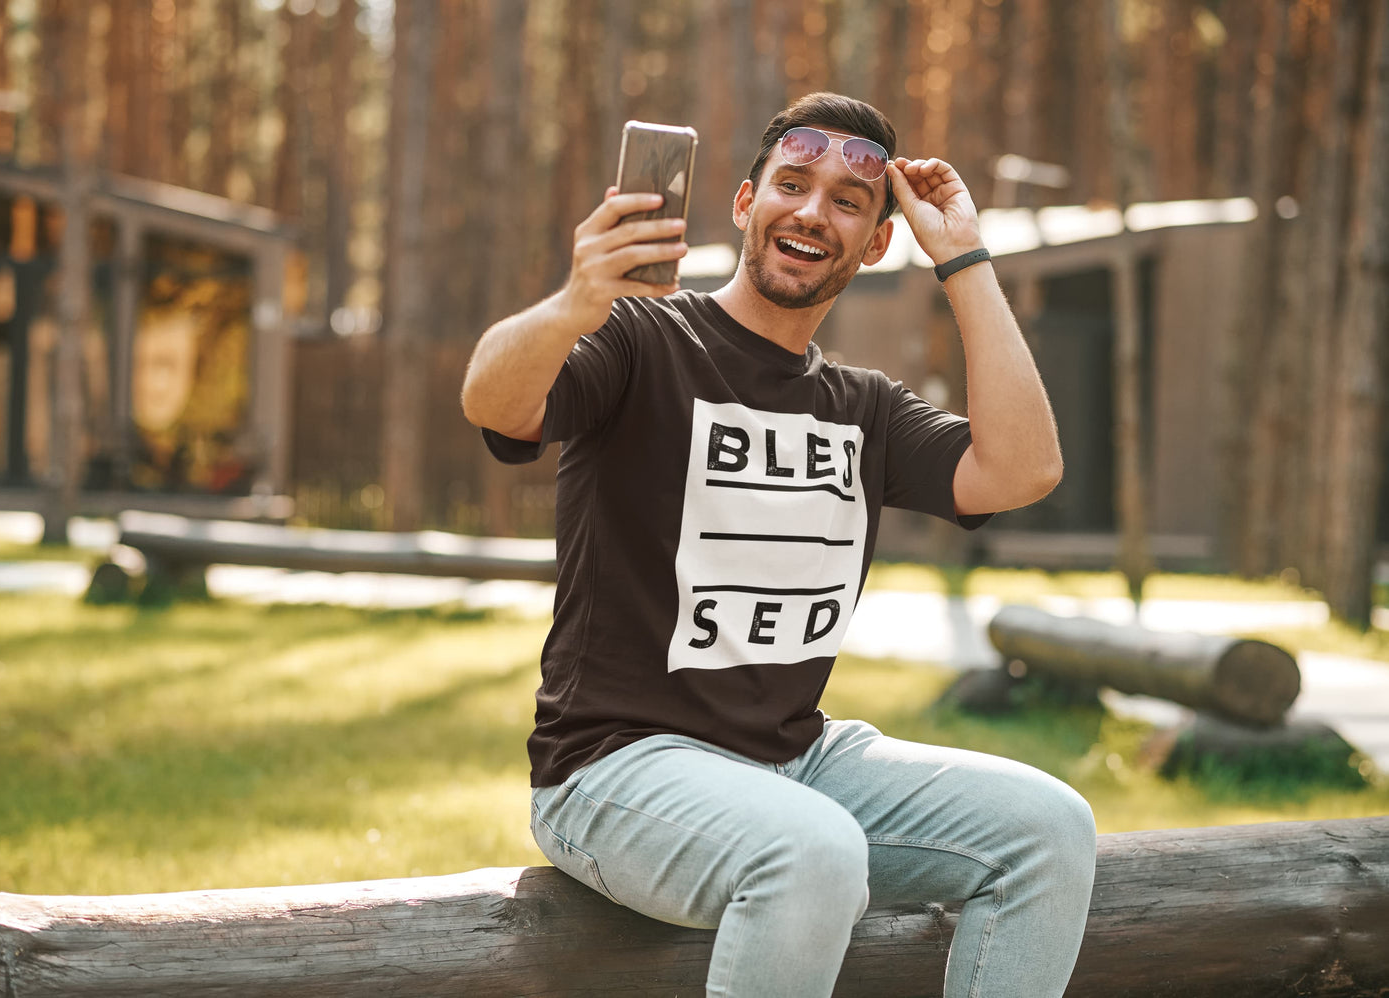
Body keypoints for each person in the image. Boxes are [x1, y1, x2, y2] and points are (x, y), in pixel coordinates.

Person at [461, 92, 1096, 998]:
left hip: (797, 763)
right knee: (813, 850)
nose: (811, 211)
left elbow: (1022, 470)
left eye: (847, 200)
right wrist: (577, 298)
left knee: (1050, 828)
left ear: (877, 243)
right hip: (612, 771)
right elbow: (493, 403)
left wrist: (963, 260)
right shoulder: (644, 339)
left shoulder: (864, 407)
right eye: (791, 185)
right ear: (744, 204)